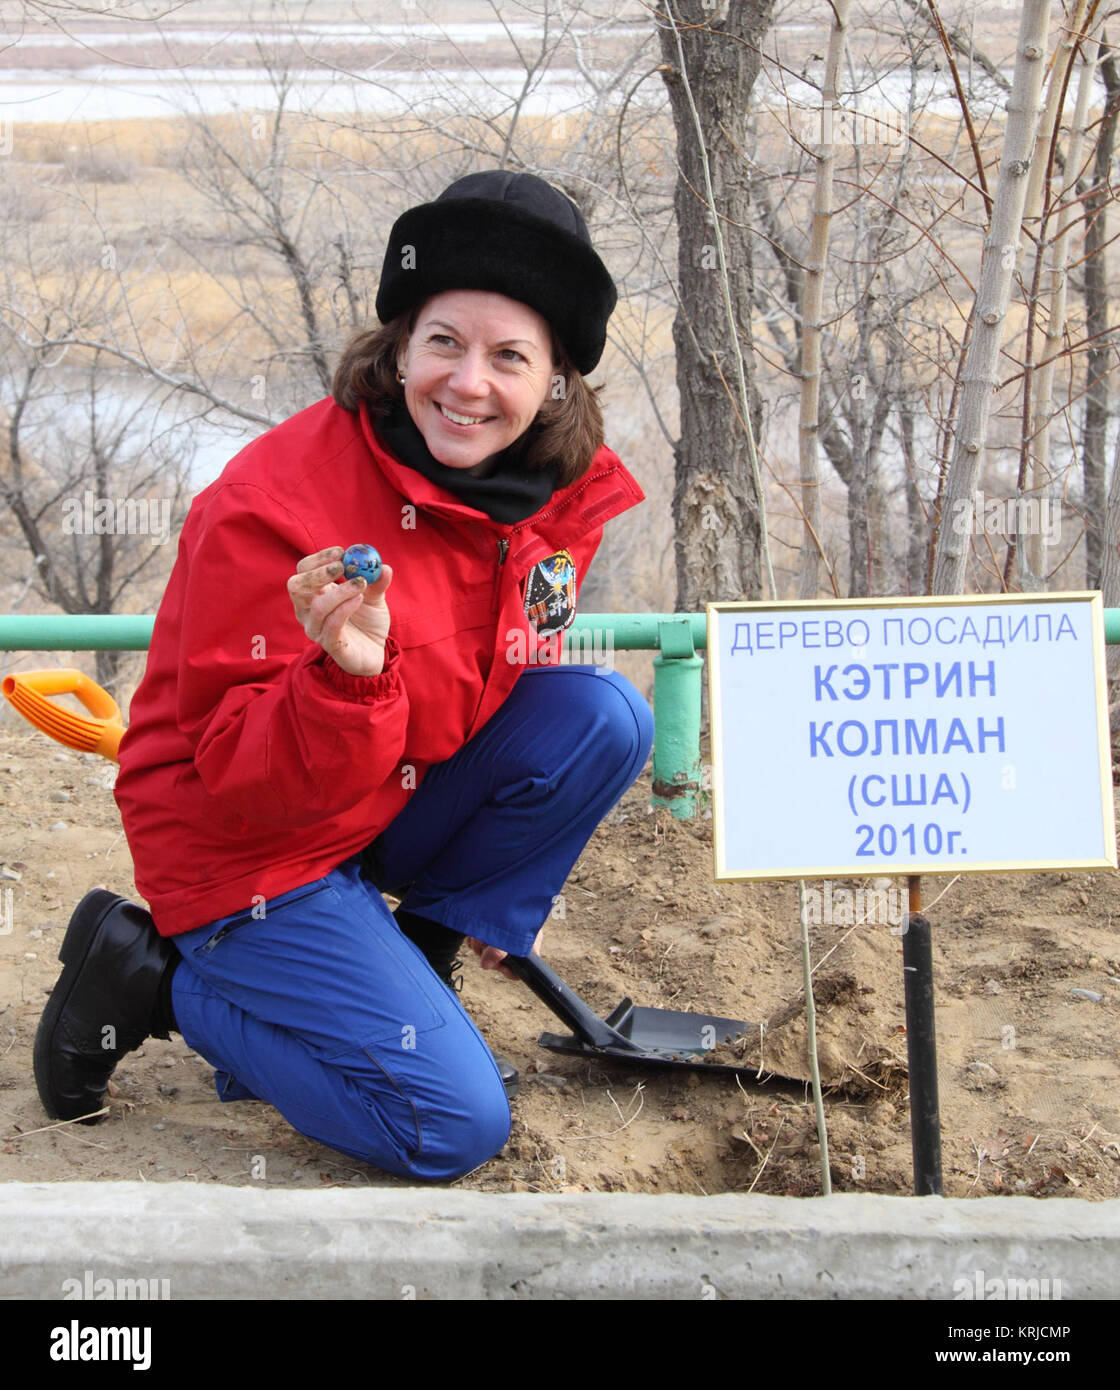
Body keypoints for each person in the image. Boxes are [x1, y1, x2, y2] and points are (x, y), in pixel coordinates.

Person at [33, 170, 654, 1182]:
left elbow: (507, 684)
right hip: (245, 846)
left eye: (510, 356)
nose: (468, 383)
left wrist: (492, 891)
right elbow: (243, 780)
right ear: (400, 344)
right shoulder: (276, 507)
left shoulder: (544, 492)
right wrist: (347, 681)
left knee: (601, 715)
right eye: (444, 341)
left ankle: (411, 966)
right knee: (445, 1127)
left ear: (557, 382)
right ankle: (156, 984)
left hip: (377, 800)